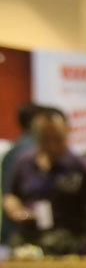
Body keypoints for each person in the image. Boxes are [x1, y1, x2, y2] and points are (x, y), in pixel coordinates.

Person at [3, 107, 86, 254]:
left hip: (68, 243)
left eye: (58, 139)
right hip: (28, 240)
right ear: (36, 137)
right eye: (46, 139)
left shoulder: (84, 168)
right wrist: (17, 211)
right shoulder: (24, 162)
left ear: (67, 133)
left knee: (57, 244)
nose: (52, 145)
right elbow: (11, 195)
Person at [1, 103, 40, 245]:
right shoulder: (32, 153)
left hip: (12, 232)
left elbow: (7, 193)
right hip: (27, 233)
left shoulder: (11, 153)